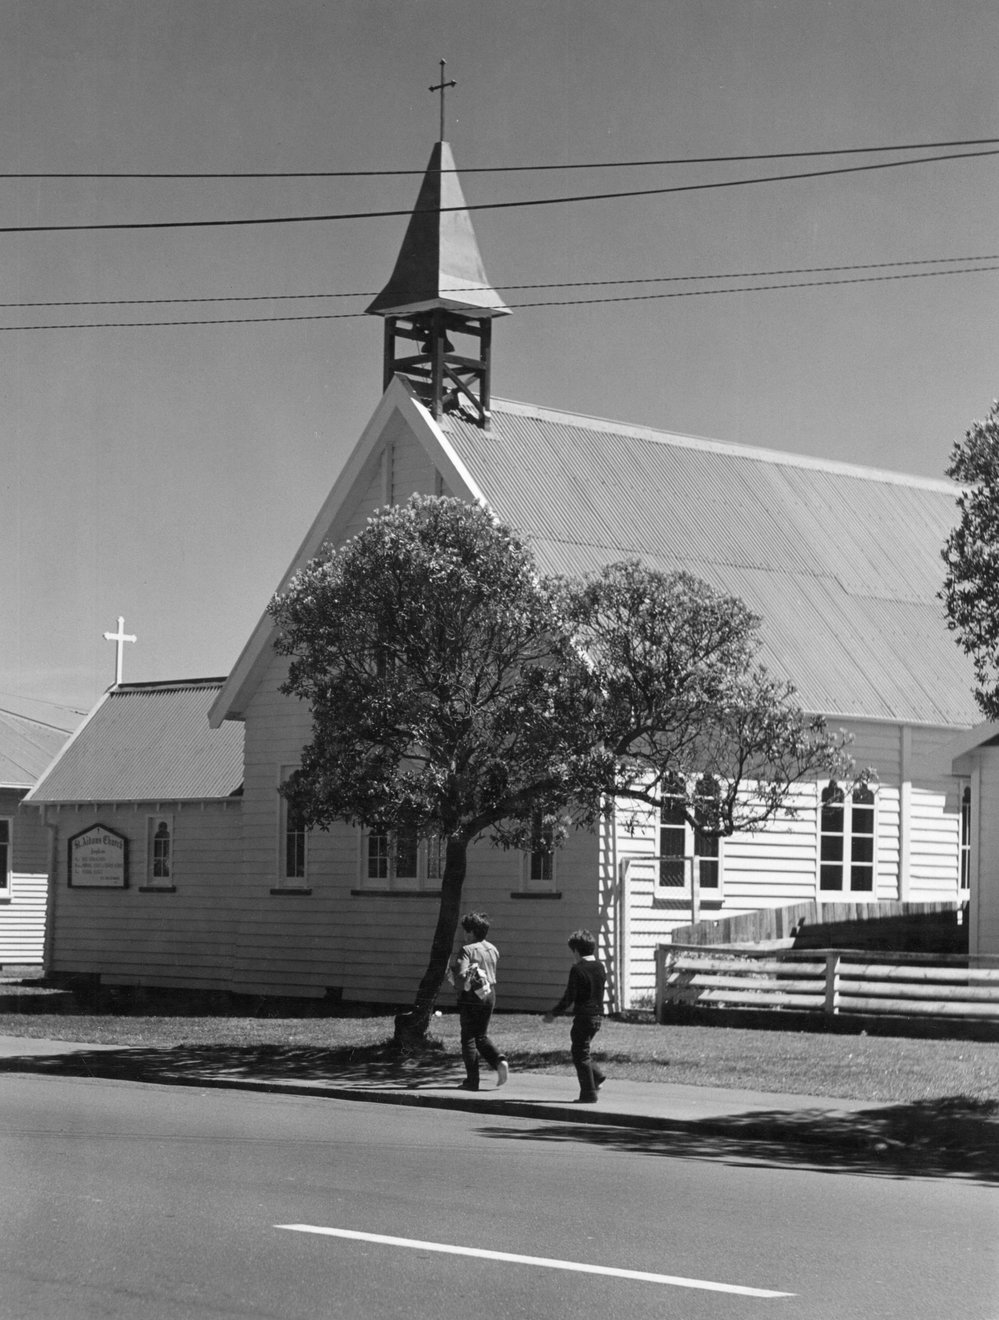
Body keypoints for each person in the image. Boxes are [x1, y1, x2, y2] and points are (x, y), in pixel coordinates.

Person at [543, 929, 607, 1102]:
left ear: (576, 951)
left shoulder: (577, 969)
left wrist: (554, 1013)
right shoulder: (600, 967)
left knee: (580, 1053)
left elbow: (569, 996)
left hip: (583, 1016)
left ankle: (589, 1094)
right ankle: (597, 1076)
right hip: (597, 1016)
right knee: (581, 1051)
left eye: (573, 952)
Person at [449, 912, 509, 1091]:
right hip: (490, 993)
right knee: (481, 1035)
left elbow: (460, 979)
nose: (464, 935)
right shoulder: (493, 949)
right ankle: (499, 1060)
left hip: (471, 996)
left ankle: (472, 1081)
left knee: (468, 1038)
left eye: (466, 931)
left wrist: (451, 976)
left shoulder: (467, 950)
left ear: (472, 932)